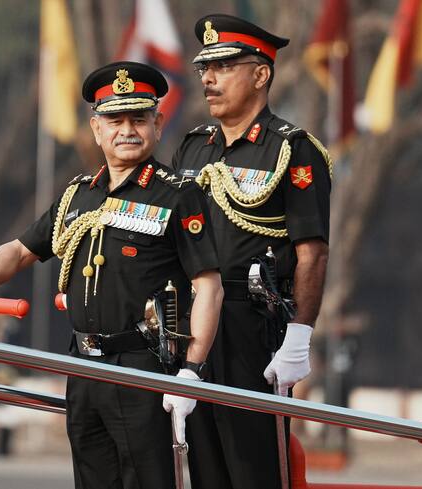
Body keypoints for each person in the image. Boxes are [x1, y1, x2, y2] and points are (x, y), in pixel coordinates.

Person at [0, 61, 223, 489]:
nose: (126, 129)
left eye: (138, 119)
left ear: (158, 125)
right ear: (96, 128)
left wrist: (191, 373)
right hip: (83, 365)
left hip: (142, 367)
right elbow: (19, 251)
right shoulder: (78, 194)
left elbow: (209, 289)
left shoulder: (178, 195)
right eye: (114, 119)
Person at [167, 14, 332, 489]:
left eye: (223, 67)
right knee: (203, 467)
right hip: (195, 325)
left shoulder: (291, 149)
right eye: (204, 69)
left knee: (253, 467)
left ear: (261, 74)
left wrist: (299, 335)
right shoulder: (195, 147)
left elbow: (312, 253)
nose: (208, 80)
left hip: (253, 326)